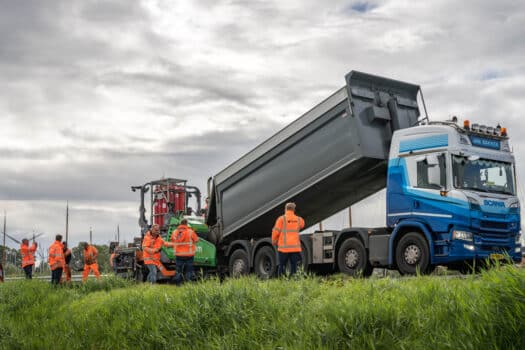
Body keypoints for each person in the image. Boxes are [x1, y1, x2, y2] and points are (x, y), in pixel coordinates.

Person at [272, 202, 305, 277]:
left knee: (282, 266)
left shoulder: (281, 219)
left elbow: (275, 231)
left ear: (285, 209)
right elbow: (303, 224)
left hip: (284, 249)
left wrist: (274, 241)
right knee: (295, 267)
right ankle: (294, 281)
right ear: (294, 210)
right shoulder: (299, 219)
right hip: (295, 249)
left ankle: (282, 281)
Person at [171, 218, 199, 285]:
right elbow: (197, 240)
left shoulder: (174, 232)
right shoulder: (190, 232)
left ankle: (178, 284)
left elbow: (172, 241)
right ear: (186, 224)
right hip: (189, 255)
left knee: (178, 270)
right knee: (189, 270)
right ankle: (188, 284)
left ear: (180, 223)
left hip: (178, 255)